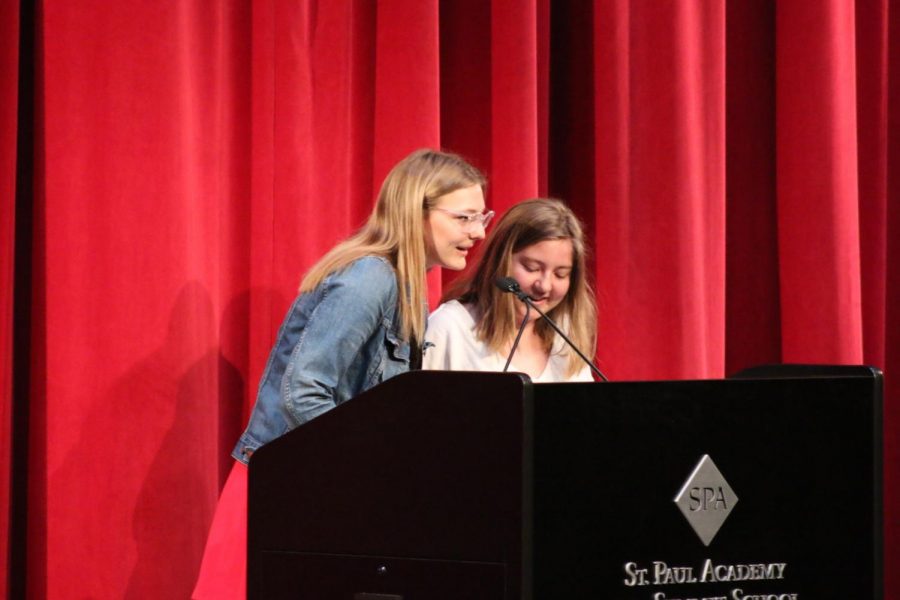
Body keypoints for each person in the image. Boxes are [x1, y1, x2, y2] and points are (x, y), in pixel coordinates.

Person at [193, 148, 489, 599]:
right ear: (417, 210)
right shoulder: (370, 279)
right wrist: (359, 478)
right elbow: (302, 390)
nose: (478, 232)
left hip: (314, 488)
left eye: (480, 217)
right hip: (285, 491)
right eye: (465, 217)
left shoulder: (404, 284)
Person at [423, 198, 597, 382]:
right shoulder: (449, 328)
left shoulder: (565, 338)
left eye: (560, 274)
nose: (544, 286)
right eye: (532, 268)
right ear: (500, 260)